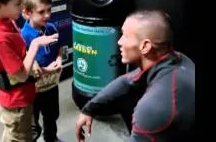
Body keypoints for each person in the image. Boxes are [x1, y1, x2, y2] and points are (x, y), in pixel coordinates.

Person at [75, 10, 195, 142]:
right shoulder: (179, 59)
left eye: (125, 36)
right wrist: (88, 109)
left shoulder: (153, 107)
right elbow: (126, 81)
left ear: (145, 46)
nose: (119, 42)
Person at [0, 0, 58, 142]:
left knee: (12, 134)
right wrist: (36, 44)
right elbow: (21, 75)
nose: (22, 7)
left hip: (22, 94)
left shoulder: (1, 19)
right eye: (17, 3)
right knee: (20, 136)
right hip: (16, 102)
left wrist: (42, 69)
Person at [21, 0, 63, 142]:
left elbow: (59, 48)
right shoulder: (24, 35)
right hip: (34, 89)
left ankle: (51, 138)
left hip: (51, 85)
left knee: (52, 115)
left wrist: (59, 60)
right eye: (41, 12)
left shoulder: (51, 28)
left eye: (49, 10)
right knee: (32, 123)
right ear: (27, 13)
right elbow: (29, 64)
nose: (47, 15)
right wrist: (45, 70)